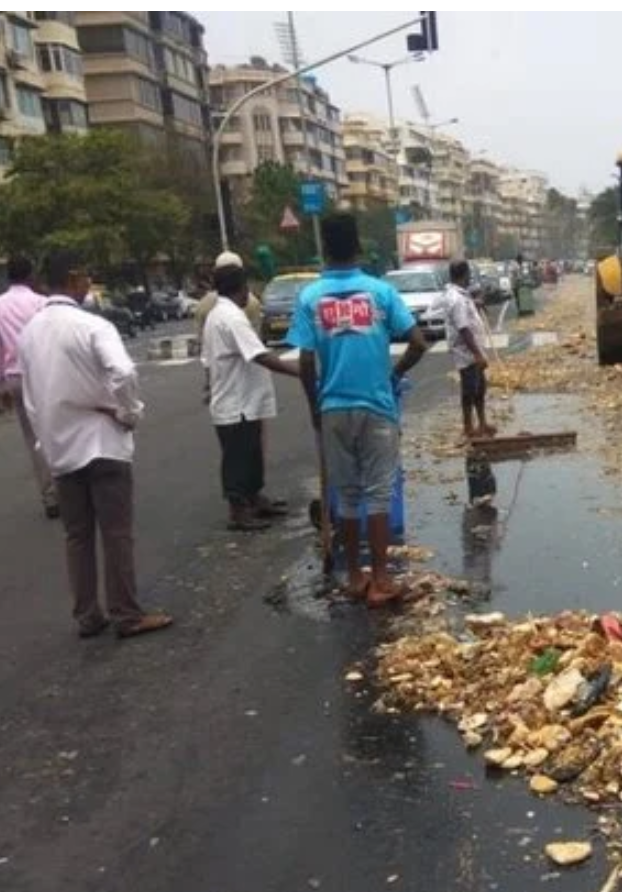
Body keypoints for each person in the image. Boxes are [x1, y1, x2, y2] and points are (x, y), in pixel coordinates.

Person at [19, 250, 172, 641]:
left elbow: (31, 399)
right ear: (73, 279)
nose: (89, 283)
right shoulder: (92, 325)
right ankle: (126, 613)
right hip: (102, 441)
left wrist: (47, 441)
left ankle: (87, 614)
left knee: (77, 535)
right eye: (86, 275)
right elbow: (123, 372)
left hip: (61, 448)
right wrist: (129, 413)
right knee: (116, 532)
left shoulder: (30, 333)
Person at [292, 213, 429, 606]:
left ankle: (354, 576)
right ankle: (381, 579)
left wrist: (314, 405)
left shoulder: (309, 297)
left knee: (348, 495)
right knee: (380, 493)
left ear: (324, 249)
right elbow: (418, 342)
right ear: (357, 247)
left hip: (333, 406)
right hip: (377, 407)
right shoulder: (381, 292)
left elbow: (306, 361)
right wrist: (393, 374)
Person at [201, 261, 300, 531]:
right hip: (237, 401)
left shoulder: (218, 314)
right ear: (242, 288)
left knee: (252, 451)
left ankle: (255, 497)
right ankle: (238, 510)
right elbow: (260, 355)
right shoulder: (231, 317)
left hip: (241, 398)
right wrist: (300, 372)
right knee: (238, 457)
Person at [0, 255, 59, 518]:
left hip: (16, 377)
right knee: (57, 429)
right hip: (45, 372)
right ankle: (68, 485)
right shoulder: (42, 303)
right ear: (31, 276)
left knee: (33, 437)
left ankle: (50, 494)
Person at [430, 259, 494, 438]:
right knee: (469, 389)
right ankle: (468, 427)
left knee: (480, 387)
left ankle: (482, 423)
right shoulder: (456, 298)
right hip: (466, 352)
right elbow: (463, 328)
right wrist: (477, 354)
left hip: (473, 350)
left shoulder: (461, 294)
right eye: (469, 274)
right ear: (465, 274)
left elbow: (466, 311)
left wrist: (475, 303)